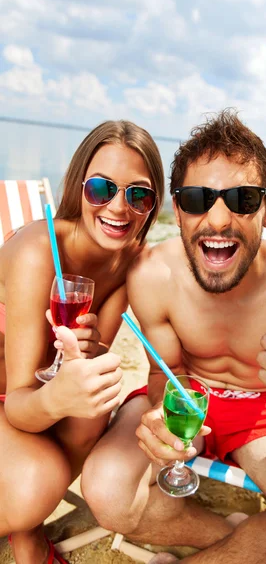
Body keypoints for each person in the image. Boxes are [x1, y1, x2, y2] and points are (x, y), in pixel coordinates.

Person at [82, 110, 266, 564]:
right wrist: (162, 413)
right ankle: (236, 536)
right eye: (196, 198)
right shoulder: (153, 274)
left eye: (242, 198)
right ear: (177, 208)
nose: (218, 219)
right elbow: (165, 374)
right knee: (106, 491)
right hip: (185, 396)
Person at [0, 120, 164, 564]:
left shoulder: (130, 262)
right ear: (78, 186)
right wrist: (57, 397)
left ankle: (22, 519)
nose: (118, 207)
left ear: (152, 205)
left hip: (29, 395)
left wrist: (80, 365)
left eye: (138, 194)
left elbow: (82, 365)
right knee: (39, 480)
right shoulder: (39, 250)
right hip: (13, 394)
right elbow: (20, 400)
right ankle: (25, 526)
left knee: (92, 412)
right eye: (101, 188)